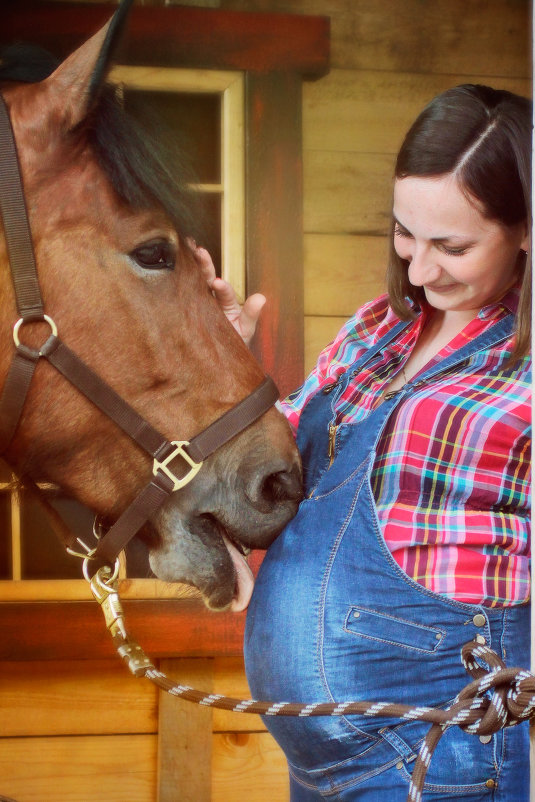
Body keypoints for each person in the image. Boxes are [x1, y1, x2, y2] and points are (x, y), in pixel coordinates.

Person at [195, 84, 531, 801]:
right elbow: (277, 471)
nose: (418, 268)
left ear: (526, 228)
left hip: (444, 757)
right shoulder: (378, 330)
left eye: (452, 246)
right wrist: (219, 370)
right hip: (321, 769)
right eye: (404, 233)